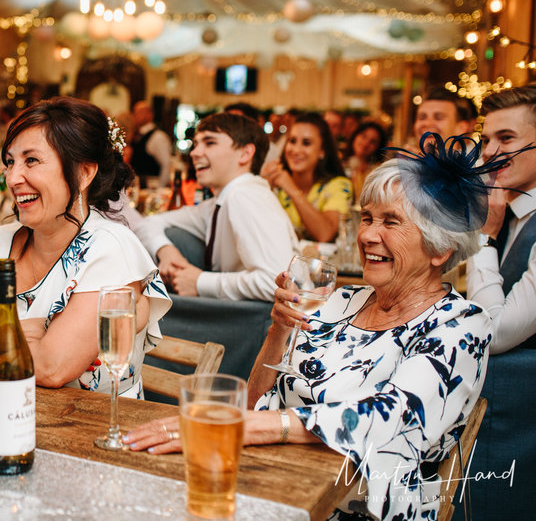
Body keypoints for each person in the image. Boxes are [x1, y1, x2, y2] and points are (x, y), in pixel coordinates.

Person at [127, 145, 496, 521]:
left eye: (390, 221)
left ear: (440, 249)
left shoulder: (461, 325)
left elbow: (391, 419)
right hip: (270, 479)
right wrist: (278, 330)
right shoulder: (339, 301)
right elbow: (256, 401)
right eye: (367, 218)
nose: (367, 234)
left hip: (359, 507)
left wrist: (241, 427)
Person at [0, 97, 171, 396]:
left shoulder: (110, 248)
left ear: (84, 173)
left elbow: (51, 366)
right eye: (10, 162)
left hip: (86, 433)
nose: (12, 178)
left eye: (31, 160)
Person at [463, 86, 536, 518]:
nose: (489, 152)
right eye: (486, 140)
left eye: (505, 139)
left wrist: (483, 237)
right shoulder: (512, 208)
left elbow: (497, 333)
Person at [131, 113, 296, 301]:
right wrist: (166, 250)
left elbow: (278, 283)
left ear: (245, 153)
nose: (194, 153)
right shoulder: (217, 203)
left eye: (209, 143)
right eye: (196, 144)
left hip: (263, 319)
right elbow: (148, 223)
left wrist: (200, 282)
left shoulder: (245, 195)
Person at [262, 112, 352, 242]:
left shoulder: (339, 185)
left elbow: (325, 234)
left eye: (306, 143)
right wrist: (263, 188)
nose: (296, 150)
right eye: (292, 141)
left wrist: (291, 189)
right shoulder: (275, 183)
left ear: (322, 151)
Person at [410, 88, 476, 147]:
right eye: (422, 118)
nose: (427, 123)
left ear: (461, 128)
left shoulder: (477, 160)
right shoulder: (403, 159)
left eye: (438, 118)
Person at [342, 120, 388, 200]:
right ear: (355, 135)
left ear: (378, 148)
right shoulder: (339, 164)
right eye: (364, 136)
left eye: (373, 142)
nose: (366, 143)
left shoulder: (377, 173)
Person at [130, 100, 172, 187]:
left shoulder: (158, 137)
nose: (136, 115)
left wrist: (160, 188)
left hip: (151, 186)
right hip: (138, 186)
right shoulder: (136, 135)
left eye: (141, 112)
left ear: (150, 115)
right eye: (135, 112)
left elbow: (166, 165)